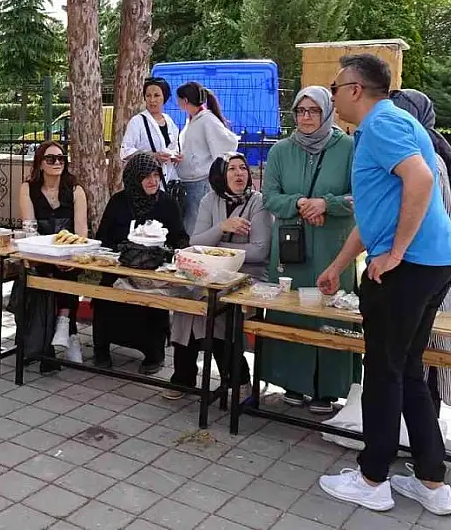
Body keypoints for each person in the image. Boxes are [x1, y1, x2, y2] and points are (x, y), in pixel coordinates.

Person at [316, 54, 451, 516]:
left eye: (335, 86)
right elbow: (376, 210)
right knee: (407, 368)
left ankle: (372, 478)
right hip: (433, 263)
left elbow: (419, 179)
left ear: (355, 89)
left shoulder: (380, 124)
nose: (333, 94)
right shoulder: (392, 125)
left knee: (383, 370)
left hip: (410, 266)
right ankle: (432, 482)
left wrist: (395, 252)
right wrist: (340, 264)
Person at [260, 86, 357, 415]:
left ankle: (328, 389)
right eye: (300, 111)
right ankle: (291, 381)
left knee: (331, 312)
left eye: (313, 111)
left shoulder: (348, 148)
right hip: (291, 248)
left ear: (327, 112)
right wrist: (300, 203)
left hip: (334, 246)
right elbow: (269, 196)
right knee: (291, 309)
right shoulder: (280, 151)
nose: (305, 117)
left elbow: (359, 196)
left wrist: (325, 205)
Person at [164, 153, 271, 400]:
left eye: (242, 168)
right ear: (221, 176)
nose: (238, 173)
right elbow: (195, 241)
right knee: (187, 302)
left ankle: (237, 378)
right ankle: (184, 376)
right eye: (231, 169)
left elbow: (259, 250)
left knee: (215, 306)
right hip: (211, 272)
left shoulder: (258, 202)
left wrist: (218, 247)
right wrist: (222, 227)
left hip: (247, 274)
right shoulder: (210, 200)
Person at [392, 89, 451, 414]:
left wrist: (394, 253)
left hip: (425, 263)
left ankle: (421, 428)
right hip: (427, 262)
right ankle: (418, 433)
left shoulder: (426, 156)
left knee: (420, 356)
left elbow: (430, 214)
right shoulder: (425, 149)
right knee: (414, 356)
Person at [92, 153, 189, 374]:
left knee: (152, 298)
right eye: (146, 176)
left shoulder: (166, 203)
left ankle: (153, 354)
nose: (152, 181)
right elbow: (103, 237)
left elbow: (181, 237)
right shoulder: (118, 201)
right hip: (119, 266)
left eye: (156, 175)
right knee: (105, 293)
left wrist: (168, 253)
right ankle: (101, 348)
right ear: (134, 179)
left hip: (153, 270)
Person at [19, 141, 89, 363]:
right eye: (51, 159)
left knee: (68, 270)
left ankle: (65, 325)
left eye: (61, 158)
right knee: (42, 272)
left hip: (68, 253)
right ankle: (65, 330)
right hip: (40, 252)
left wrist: (69, 256)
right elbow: (29, 229)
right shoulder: (27, 189)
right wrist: (49, 255)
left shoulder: (76, 191)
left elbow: (81, 233)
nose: (57, 162)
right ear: (40, 163)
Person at [175, 82, 240, 234]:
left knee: (197, 224)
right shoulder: (193, 120)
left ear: (185, 101)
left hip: (200, 180)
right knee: (190, 222)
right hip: (189, 181)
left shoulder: (207, 120)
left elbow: (227, 143)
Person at [120, 77, 182, 183]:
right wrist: (152, 156)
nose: (152, 100)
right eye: (148, 96)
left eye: (156, 95)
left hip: (167, 180)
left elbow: (175, 145)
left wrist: (175, 156)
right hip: (146, 181)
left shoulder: (169, 120)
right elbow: (125, 152)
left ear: (164, 97)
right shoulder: (137, 122)